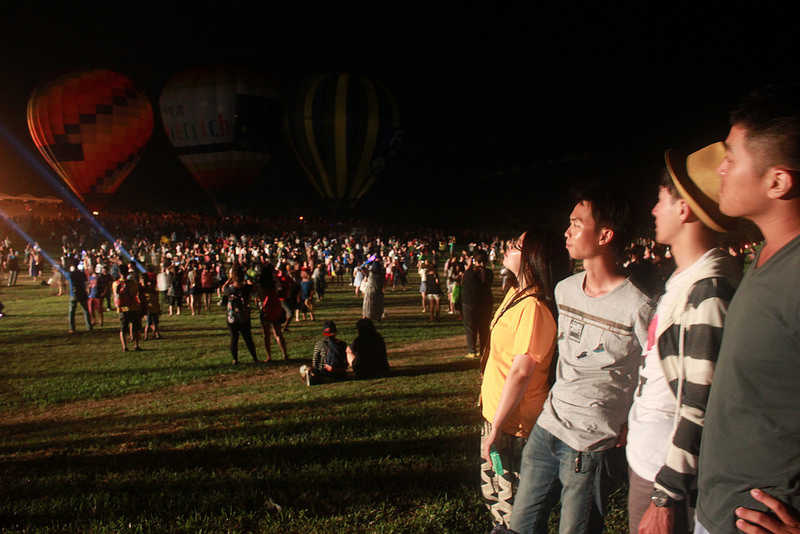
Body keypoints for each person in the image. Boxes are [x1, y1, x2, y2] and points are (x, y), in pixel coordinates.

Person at [509, 188, 654, 534]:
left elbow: (653, 372)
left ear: (605, 235)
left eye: (576, 224)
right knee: (520, 526)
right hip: (548, 428)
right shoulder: (565, 290)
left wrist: (632, 420)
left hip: (591, 444)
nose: (567, 232)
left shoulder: (639, 306)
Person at [696, 84, 800, 534]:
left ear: (777, 180)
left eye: (732, 157)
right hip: (720, 509)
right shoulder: (765, 254)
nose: (719, 168)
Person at [628, 145, 741, 534]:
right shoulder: (685, 278)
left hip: (667, 477)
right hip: (649, 461)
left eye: (660, 201)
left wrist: (666, 494)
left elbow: (700, 404)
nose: (654, 210)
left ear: (684, 209)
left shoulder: (708, 290)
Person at [478, 228, 569, 530]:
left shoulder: (534, 308)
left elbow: (521, 373)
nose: (508, 247)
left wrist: (497, 430)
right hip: (497, 418)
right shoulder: (515, 294)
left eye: (516, 245)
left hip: (514, 426)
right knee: (496, 496)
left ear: (532, 258)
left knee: (512, 508)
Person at [222, 263, 260, 365]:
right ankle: (254, 357)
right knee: (248, 338)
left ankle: (235, 359)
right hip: (244, 316)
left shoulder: (230, 289)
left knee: (234, 339)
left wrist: (230, 279)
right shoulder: (246, 288)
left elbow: (223, 288)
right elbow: (253, 286)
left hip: (232, 317)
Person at [461, 249, 494, 359]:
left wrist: (468, 267)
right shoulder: (489, 273)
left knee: (471, 327)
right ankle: (483, 349)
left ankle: (472, 350)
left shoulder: (470, 273)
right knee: (483, 327)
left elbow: (464, 282)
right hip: (485, 303)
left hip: (470, 303)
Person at [300, 320, 348, 385]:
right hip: (341, 373)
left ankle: (312, 377)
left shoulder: (320, 343)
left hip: (325, 373)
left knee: (303, 368)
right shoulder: (342, 344)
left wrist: (315, 369)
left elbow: (315, 360)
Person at [257, 263, 288, 361]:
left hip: (265, 309)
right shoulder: (274, 281)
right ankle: (285, 354)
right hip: (275, 307)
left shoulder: (260, 284)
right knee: (278, 333)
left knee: (266, 335)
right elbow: (280, 290)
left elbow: (260, 297)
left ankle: (269, 356)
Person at [112, 264, 141, 352]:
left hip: (121, 309)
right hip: (132, 307)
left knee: (123, 329)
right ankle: (136, 345)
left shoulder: (115, 284)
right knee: (135, 328)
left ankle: (124, 346)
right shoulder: (131, 283)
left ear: (119, 273)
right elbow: (135, 294)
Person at [67, 263, 92, 333]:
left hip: (74, 294)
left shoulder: (70, 275)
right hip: (82, 293)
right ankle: (89, 326)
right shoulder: (82, 274)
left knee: (71, 312)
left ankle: (72, 328)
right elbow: (86, 282)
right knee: (86, 310)